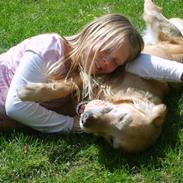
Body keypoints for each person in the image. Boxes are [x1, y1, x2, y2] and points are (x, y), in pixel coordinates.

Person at [0, 13, 182, 133]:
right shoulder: (50, 47)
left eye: (116, 62)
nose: (106, 62)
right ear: (95, 33)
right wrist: (70, 125)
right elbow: (16, 106)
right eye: (106, 51)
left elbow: (137, 64)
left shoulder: (88, 74)